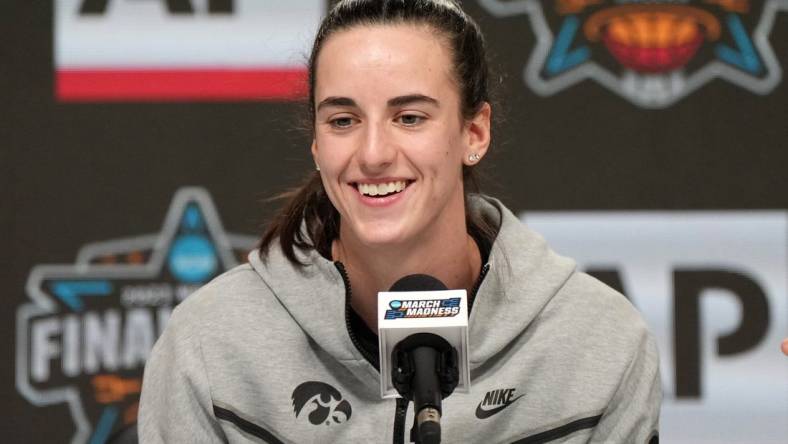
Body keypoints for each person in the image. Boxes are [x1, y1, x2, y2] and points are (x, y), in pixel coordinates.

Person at [138, 1, 661, 442]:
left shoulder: (599, 341)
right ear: (317, 144)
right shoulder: (209, 345)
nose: (372, 154)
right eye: (343, 121)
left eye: (409, 117)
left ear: (474, 133)